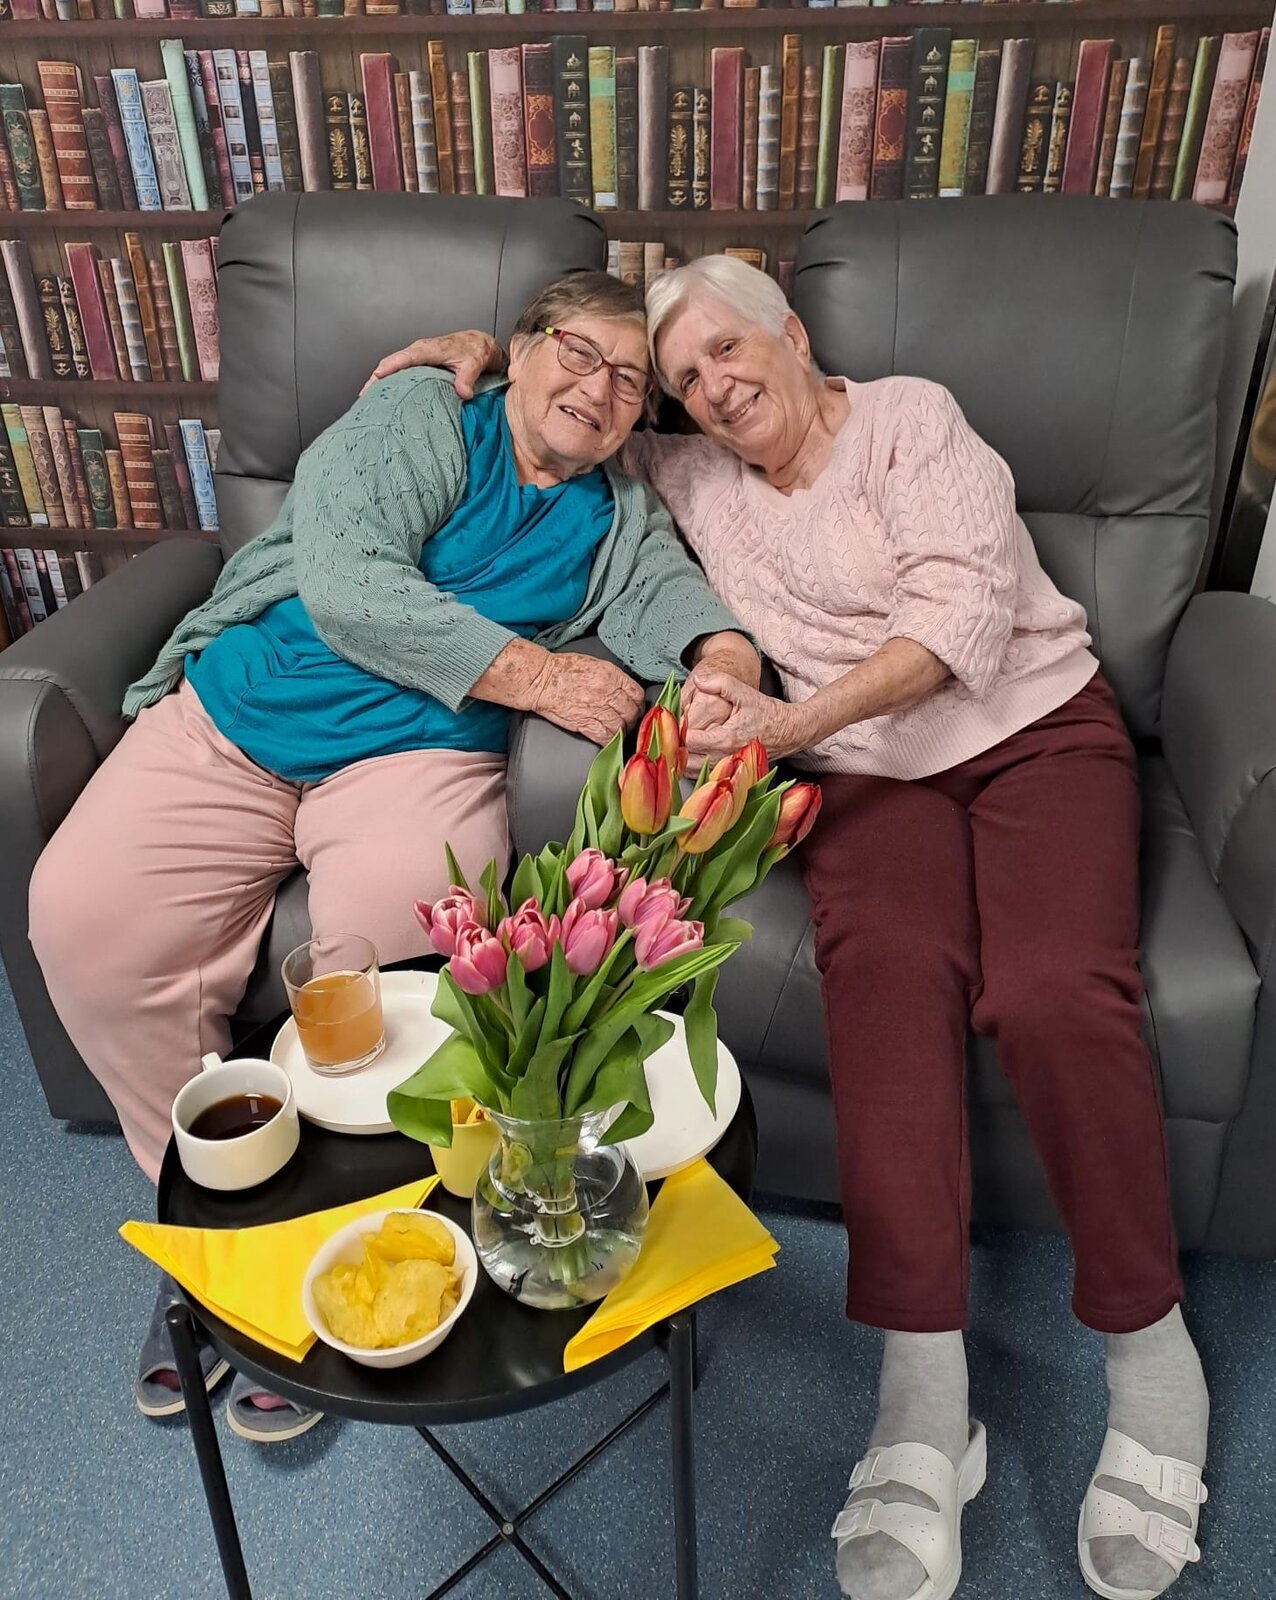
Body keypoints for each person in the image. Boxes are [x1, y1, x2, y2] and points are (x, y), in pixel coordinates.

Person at [364, 253, 1209, 1600]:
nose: (711, 385)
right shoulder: (693, 476)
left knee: (1055, 991)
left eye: (726, 350)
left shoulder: (911, 418)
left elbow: (961, 617)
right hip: (872, 781)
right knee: (884, 986)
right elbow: (581, 413)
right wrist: (478, 348)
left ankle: (1148, 1348)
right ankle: (923, 1390)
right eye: (685, 378)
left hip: (1034, 731)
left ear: (795, 336)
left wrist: (788, 724)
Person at [28, 271, 756, 1444]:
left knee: (402, 961)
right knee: (81, 914)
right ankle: (217, 1242)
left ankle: (364, 1245)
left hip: (415, 755)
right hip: (241, 714)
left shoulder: (618, 512)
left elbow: (676, 601)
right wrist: (541, 675)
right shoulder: (423, 410)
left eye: (629, 379)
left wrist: (724, 659)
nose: (599, 387)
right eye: (577, 352)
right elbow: (350, 582)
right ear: (519, 349)